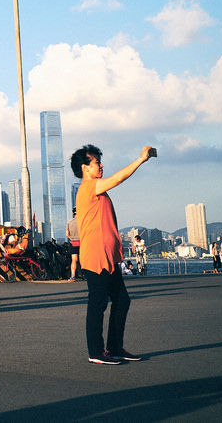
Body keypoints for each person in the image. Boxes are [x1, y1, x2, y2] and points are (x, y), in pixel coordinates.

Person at [71, 144, 154, 365]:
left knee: (122, 300)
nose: (101, 165)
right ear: (85, 168)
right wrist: (140, 160)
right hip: (95, 255)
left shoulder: (99, 189)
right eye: (96, 162)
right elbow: (118, 178)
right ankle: (96, 352)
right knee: (98, 303)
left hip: (108, 256)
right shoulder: (89, 187)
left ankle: (115, 347)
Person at [66, 207, 81, 281]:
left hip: (73, 243)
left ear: (73, 213)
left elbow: (67, 234)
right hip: (82, 242)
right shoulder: (82, 221)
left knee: (74, 260)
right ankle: (86, 274)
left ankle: (73, 276)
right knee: (83, 260)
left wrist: (72, 238)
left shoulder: (69, 222)